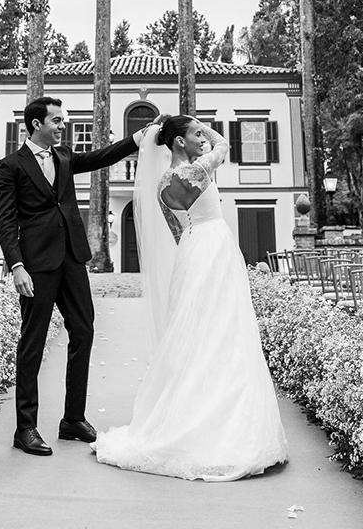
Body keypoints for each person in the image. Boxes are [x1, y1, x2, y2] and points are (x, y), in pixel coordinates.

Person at [92, 116, 288, 481]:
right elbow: (224, 147)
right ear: (179, 143)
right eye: (195, 133)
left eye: (202, 133)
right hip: (214, 246)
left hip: (191, 249)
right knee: (224, 327)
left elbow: (176, 230)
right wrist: (203, 129)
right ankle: (220, 424)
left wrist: (180, 128)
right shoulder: (196, 170)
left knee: (196, 330)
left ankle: (191, 409)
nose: (202, 138)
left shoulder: (162, 185)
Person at [0, 95, 143, 457]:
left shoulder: (63, 157)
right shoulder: (10, 166)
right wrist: (16, 267)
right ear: (36, 125)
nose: (63, 126)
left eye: (63, 120)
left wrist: (135, 141)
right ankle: (25, 427)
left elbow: (99, 158)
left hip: (72, 259)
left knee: (84, 330)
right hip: (36, 266)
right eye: (57, 121)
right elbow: (6, 220)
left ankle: (72, 419)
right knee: (32, 343)